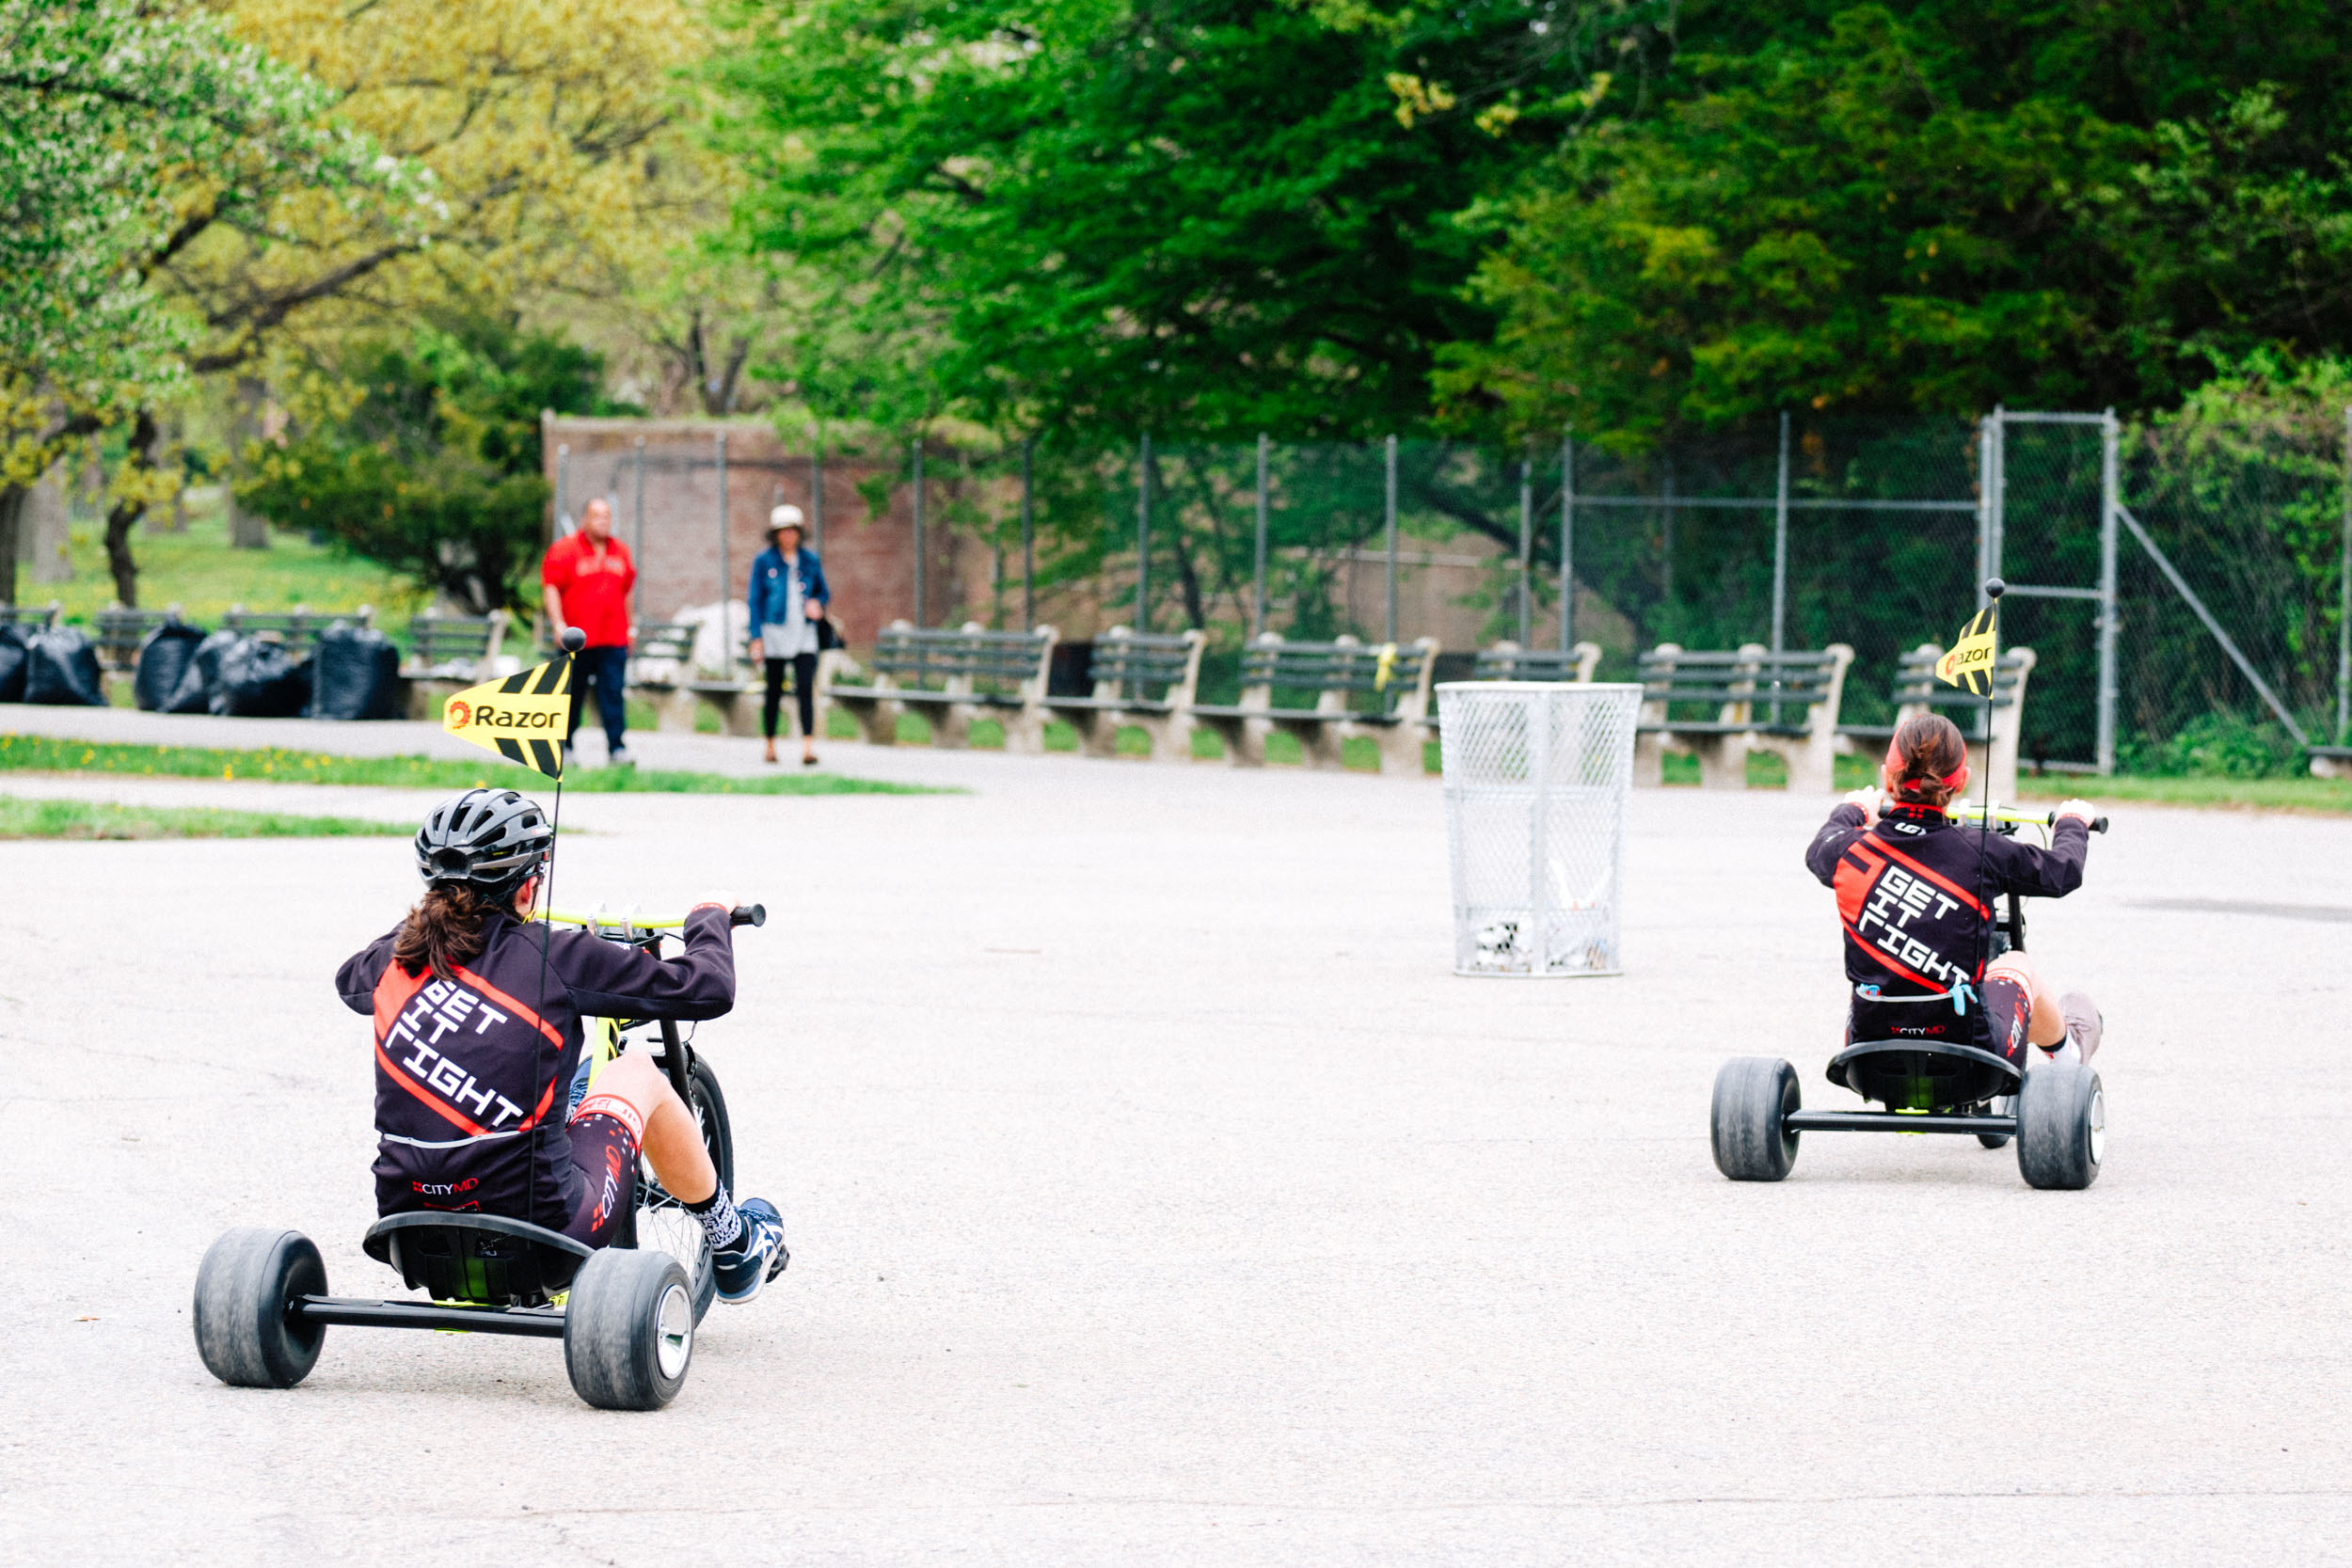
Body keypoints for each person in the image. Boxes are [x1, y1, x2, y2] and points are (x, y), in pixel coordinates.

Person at [335, 787, 788, 1304]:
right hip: (546, 1236)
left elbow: (348, 979)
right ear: (527, 888)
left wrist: (430, 919)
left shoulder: (392, 963)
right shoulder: (556, 955)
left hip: (406, 1230)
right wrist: (709, 916)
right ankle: (735, 1244)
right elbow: (706, 988)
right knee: (637, 1069)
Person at [1805, 713, 2104, 1069]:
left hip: (1868, 1055)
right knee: (2015, 964)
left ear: (1887, 777)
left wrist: (1852, 809)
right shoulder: (1983, 851)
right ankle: (2069, 1056)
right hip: (1970, 1057)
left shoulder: (1849, 852)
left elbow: (1822, 845)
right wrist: (2072, 824)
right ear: (1961, 781)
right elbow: (2063, 872)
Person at [542, 497, 636, 767]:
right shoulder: (565, 550)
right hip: (577, 640)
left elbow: (626, 591)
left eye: (607, 516)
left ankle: (617, 748)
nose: (603, 522)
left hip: (613, 638)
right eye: (597, 516)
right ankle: (565, 747)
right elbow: (551, 589)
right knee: (572, 695)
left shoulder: (620, 551)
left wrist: (631, 628)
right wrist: (558, 624)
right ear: (585, 518)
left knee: (613, 695)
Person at [746, 503, 832, 766]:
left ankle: (807, 746)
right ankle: (770, 744)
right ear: (775, 534)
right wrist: (756, 636)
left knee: (805, 687)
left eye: (792, 530)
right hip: (774, 632)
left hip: (804, 632)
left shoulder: (809, 560)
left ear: (799, 532)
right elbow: (755, 600)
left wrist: (817, 603)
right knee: (774, 689)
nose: (788, 536)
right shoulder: (764, 561)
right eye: (782, 531)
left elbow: (823, 592)